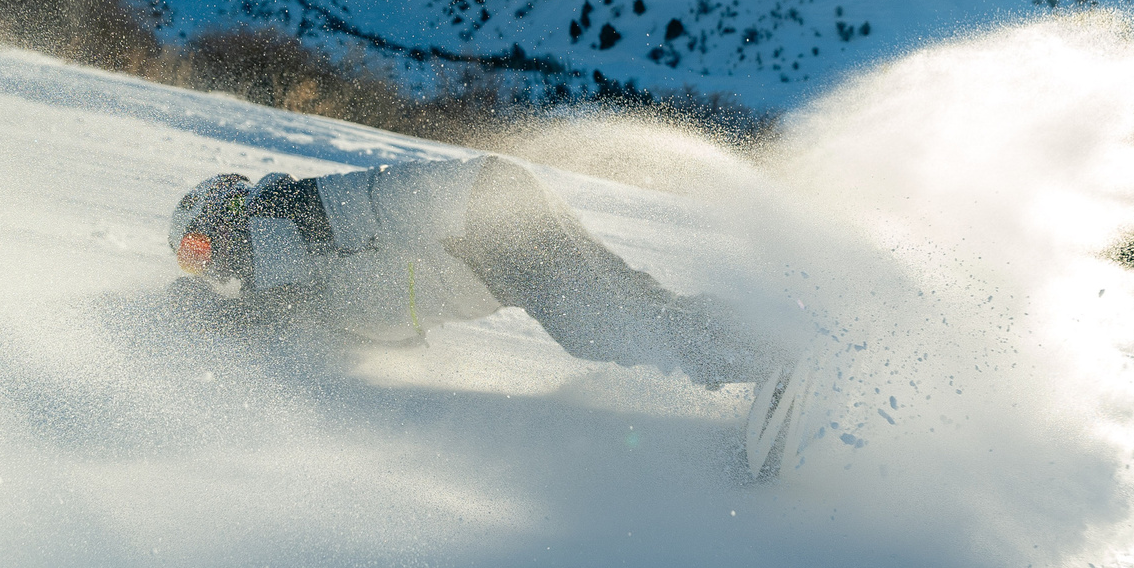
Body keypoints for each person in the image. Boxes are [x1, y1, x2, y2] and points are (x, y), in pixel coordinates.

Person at [167, 156, 819, 471]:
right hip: (491, 213)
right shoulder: (302, 256)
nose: (210, 268)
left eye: (199, 250)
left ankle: (766, 362)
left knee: (601, 322)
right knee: (630, 306)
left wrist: (191, 321)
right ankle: (773, 345)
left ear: (223, 216)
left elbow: (276, 306)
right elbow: (369, 331)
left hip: (480, 224)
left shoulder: (272, 220)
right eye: (193, 265)